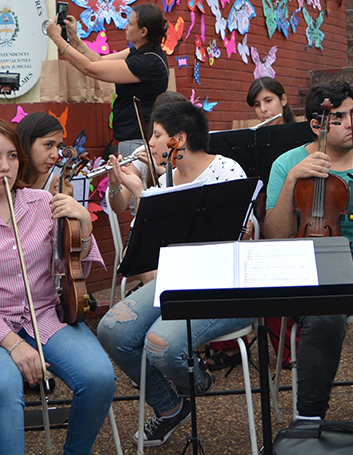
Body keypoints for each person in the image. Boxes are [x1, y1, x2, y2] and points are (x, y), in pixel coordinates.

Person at [0, 117, 113, 455]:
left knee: (99, 378)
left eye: (11, 156)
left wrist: (83, 225)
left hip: (44, 316)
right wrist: (13, 345)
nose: (4, 166)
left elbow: (73, 263)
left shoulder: (41, 202)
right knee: (5, 384)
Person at [98, 99, 248, 446]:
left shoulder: (227, 171)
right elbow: (155, 248)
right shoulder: (166, 177)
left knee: (160, 344)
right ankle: (171, 405)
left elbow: (243, 233)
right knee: (111, 331)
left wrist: (143, 193)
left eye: (156, 135)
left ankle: (191, 382)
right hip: (177, 278)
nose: (148, 143)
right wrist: (125, 184)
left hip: (223, 283)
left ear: (178, 139)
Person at [264, 80, 353, 420]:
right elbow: (273, 238)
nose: (351, 124)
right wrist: (292, 184)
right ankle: (309, 418)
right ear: (316, 125)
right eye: (340, 117)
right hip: (310, 275)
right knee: (326, 318)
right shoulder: (286, 165)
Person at [45, 3, 168, 156]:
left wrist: (57, 38)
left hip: (137, 140)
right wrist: (75, 41)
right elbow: (99, 61)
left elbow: (89, 68)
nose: (125, 27)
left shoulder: (147, 63)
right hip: (134, 137)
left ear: (143, 31)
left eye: (130, 23)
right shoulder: (141, 53)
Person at [17, 112, 68, 189]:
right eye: (48, 145)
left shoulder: (56, 184)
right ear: (27, 142)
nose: (55, 155)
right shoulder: (6, 181)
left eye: (58, 147)